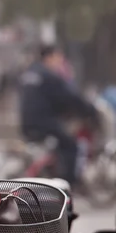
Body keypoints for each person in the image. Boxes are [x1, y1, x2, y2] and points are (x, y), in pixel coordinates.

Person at [18, 45, 97, 186]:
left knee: (57, 145)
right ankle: (69, 184)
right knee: (71, 145)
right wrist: (89, 110)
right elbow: (70, 97)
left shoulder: (30, 72)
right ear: (49, 57)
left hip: (27, 122)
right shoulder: (49, 75)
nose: (60, 62)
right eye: (58, 58)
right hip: (43, 122)